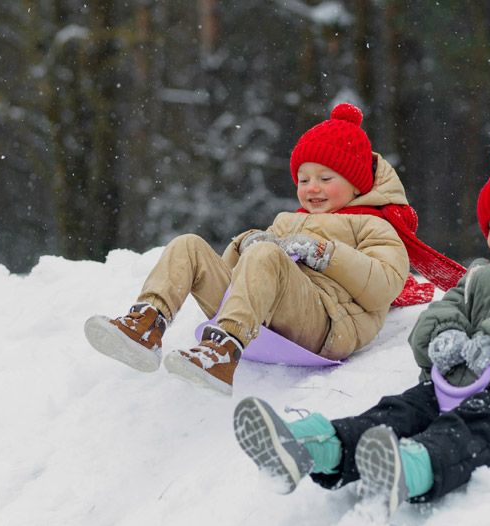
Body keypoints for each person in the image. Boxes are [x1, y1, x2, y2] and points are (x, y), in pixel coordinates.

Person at [232, 106, 490, 515]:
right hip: (469, 378)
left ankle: (413, 466)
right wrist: (442, 338)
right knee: (401, 409)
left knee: (475, 426)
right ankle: (318, 447)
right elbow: (446, 309)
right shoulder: (483, 275)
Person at [84, 103, 464, 395]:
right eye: (304, 178)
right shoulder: (287, 221)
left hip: (328, 323)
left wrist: (325, 253)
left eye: (325, 179)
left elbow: (385, 285)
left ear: (355, 183)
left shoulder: (376, 225)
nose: (312, 188)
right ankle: (146, 325)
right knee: (189, 245)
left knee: (267, 255)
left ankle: (220, 354)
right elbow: (242, 274)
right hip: (268, 314)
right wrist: (246, 242)